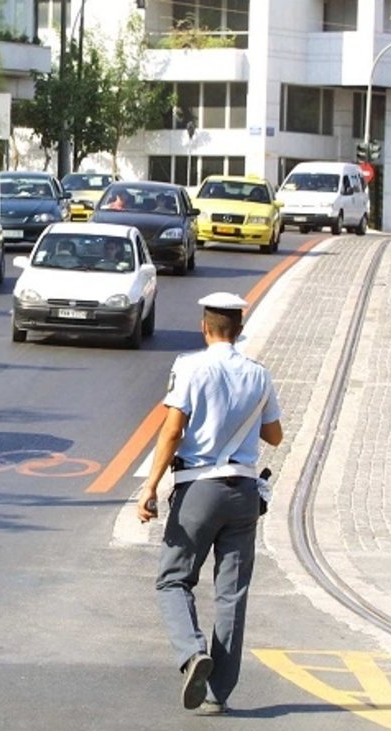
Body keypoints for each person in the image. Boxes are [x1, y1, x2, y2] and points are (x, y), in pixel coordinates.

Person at [136, 291, 284, 717]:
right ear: (239, 331)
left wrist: (150, 487)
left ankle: (192, 653)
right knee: (232, 593)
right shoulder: (260, 375)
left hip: (197, 489)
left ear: (205, 327)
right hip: (243, 493)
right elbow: (274, 437)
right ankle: (219, 692)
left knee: (173, 579)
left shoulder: (190, 368)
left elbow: (171, 432)